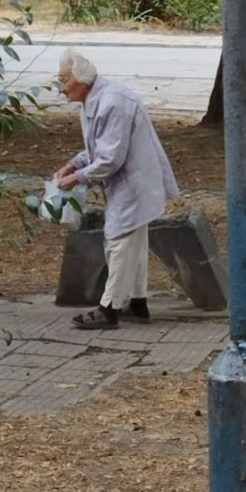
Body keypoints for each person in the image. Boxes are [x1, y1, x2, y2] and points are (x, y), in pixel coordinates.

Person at [54, 48, 179, 330]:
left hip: (134, 182)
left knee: (119, 241)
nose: (61, 89)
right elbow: (98, 148)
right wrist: (73, 164)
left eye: (64, 81)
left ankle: (109, 308)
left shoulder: (112, 102)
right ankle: (137, 303)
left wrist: (77, 178)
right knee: (133, 242)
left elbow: (110, 158)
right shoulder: (93, 99)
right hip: (129, 182)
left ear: (81, 80)